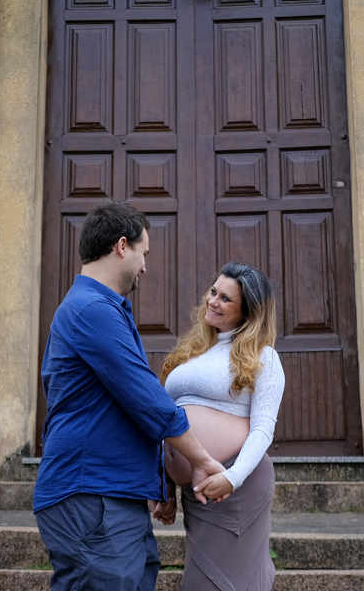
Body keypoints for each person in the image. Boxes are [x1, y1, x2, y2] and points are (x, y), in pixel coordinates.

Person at [33, 201, 229, 591]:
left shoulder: (99, 309)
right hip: (91, 495)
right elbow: (146, 399)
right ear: (122, 246)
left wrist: (158, 482)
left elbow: (117, 407)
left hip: (112, 497)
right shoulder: (92, 310)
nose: (145, 265)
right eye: (144, 253)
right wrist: (202, 460)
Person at [154, 262, 285, 591]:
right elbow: (168, 420)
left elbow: (263, 428)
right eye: (213, 292)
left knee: (223, 584)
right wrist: (164, 482)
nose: (213, 301)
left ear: (247, 312)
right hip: (197, 487)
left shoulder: (263, 357)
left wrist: (231, 477)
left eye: (226, 299)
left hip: (236, 486)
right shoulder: (196, 352)